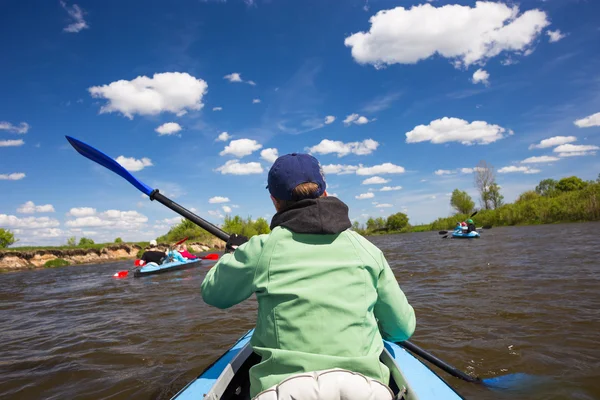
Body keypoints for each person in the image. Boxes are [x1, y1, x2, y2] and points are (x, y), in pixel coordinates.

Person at [201, 153, 416, 399]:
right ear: (324, 192)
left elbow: (213, 293)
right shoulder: (367, 249)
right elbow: (401, 329)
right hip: (364, 388)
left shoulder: (261, 249)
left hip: (283, 390)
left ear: (275, 201)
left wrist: (232, 254)